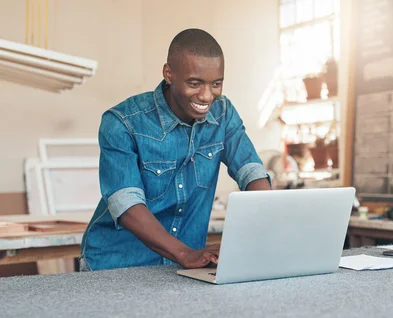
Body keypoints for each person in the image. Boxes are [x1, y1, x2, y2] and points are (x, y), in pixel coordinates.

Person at [80, 29, 271, 271]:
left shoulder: (222, 114)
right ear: (168, 74)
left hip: (184, 268)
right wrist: (185, 253)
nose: (206, 95)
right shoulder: (122, 122)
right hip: (116, 265)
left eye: (216, 84)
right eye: (194, 83)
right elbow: (125, 204)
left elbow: (251, 172)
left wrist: (259, 231)